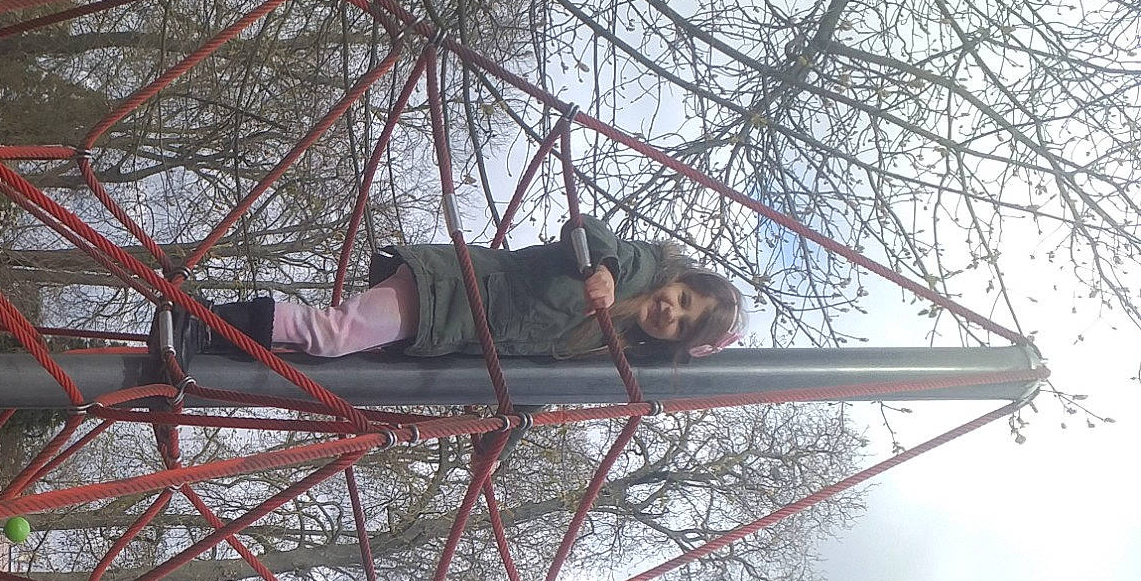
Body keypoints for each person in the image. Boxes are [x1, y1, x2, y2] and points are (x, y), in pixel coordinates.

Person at [183, 218, 745, 364]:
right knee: (331, 335)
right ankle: (202, 322)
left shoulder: (604, 341)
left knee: (327, 356)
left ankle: (213, 342)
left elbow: (538, 369)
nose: (670, 312)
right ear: (677, 281)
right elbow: (590, 230)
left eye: (681, 324)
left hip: (447, 330)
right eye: (684, 300)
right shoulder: (635, 269)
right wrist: (605, 269)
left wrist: (504, 436)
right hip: (445, 290)